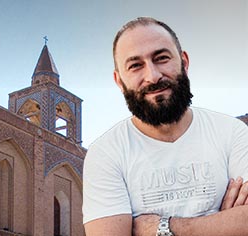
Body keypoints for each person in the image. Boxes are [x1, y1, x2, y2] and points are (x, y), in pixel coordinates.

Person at [82, 17, 248, 236]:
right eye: (135, 66)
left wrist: (164, 227)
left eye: (161, 58)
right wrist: (223, 224)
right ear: (119, 81)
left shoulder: (232, 133)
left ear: (184, 62)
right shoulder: (106, 154)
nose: (152, 76)